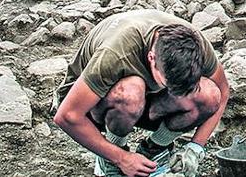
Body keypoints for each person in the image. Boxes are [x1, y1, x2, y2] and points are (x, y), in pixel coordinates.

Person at [52, 10, 228, 177]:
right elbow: (67, 116)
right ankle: (112, 157)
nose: (175, 94)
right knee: (131, 91)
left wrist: (196, 147)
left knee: (209, 94)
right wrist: (121, 158)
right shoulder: (116, 53)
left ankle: (154, 151)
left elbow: (222, 92)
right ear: (151, 58)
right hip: (94, 102)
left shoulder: (195, 46)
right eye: (168, 84)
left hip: (147, 101)